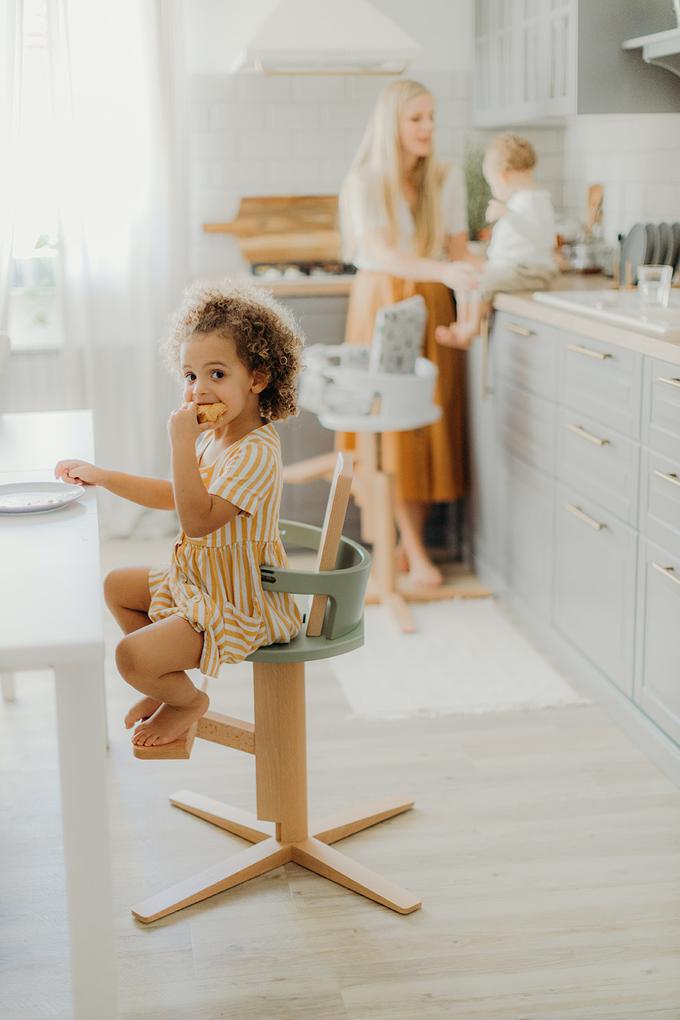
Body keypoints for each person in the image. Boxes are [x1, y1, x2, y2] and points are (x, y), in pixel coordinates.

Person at [54, 282, 304, 749]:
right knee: (117, 586)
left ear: (258, 377)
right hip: (201, 580)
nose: (199, 390)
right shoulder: (218, 437)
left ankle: (184, 699)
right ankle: (163, 680)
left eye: (216, 373)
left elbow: (197, 520)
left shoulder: (254, 453)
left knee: (131, 656)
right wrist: (104, 476)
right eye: (190, 376)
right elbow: (175, 494)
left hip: (238, 599)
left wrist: (180, 444)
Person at [339, 78, 478, 589]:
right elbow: (382, 253)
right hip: (382, 305)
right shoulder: (365, 181)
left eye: (433, 118)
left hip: (432, 304)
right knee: (389, 429)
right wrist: (443, 272)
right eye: (416, 118)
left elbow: (459, 251)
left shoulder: (446, 177)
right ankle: (413, 549)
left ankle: (405, 546)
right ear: (391, 124)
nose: (428, 128)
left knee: (420, 429)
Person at [436, 133, 557, 349]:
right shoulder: (517, 203)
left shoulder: (536, 201)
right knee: (465, 277)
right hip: (513, 268)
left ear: (503, 177)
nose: (494, 190)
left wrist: (508, 215)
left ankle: (469, 331)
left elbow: (541, 237)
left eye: (492, 184)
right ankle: (461, 324)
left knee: (483, 283)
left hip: (531, 272)